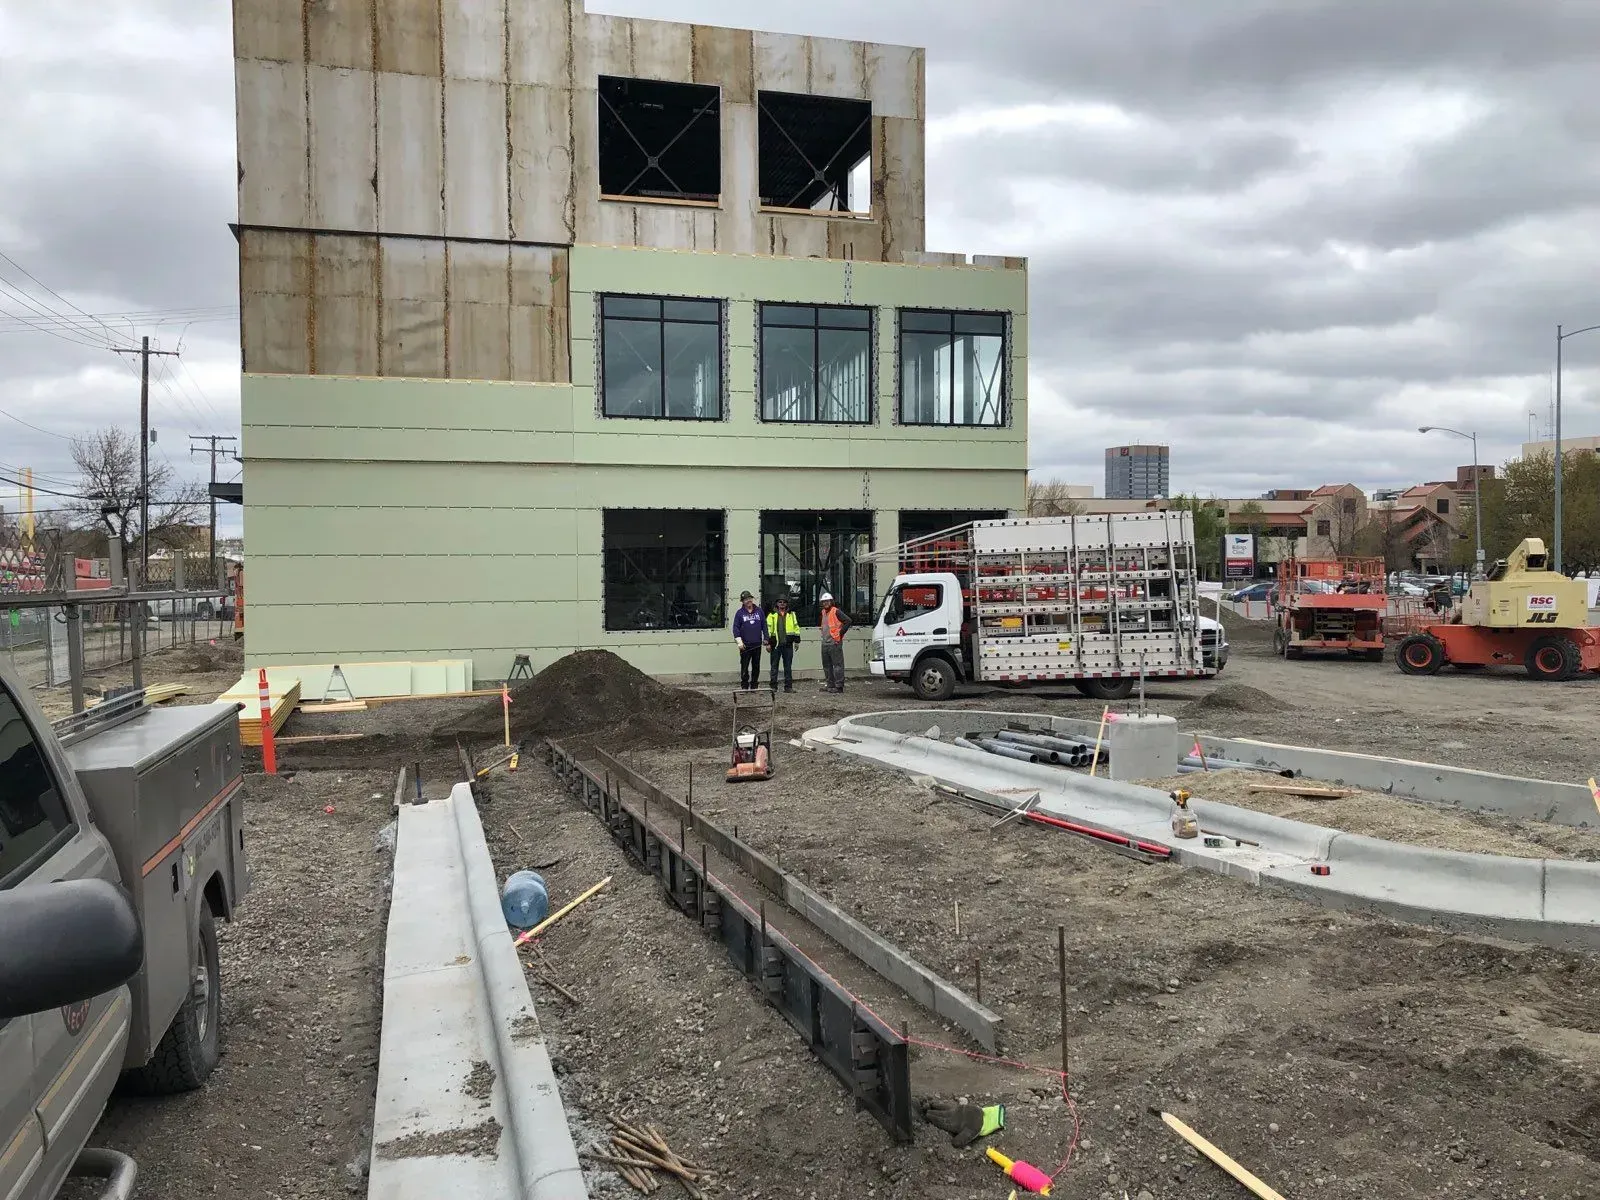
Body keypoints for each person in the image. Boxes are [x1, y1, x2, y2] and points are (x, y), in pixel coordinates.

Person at [818, 591, 852, 693]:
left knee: (837, 665)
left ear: (831, 602)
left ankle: (839, 686)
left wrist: (839, 635)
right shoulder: (823, 612)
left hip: (834, 642)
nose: (825, 603)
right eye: (824, 602)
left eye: (827, 601)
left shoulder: (835, 611)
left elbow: (848, 621)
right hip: (825, 642)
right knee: (827, 666)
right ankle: (830, 685)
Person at [766, 596, 800, 693]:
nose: (782, 604)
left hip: (788, 645)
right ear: (777, 603)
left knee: (788, 667)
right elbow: (768, 629)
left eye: (784, 602)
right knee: (774, 667)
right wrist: (767, 643)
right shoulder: (771, 615)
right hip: (775, 645)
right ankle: (773, 687)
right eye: (780, 602)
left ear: (786, 604)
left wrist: (797, 641)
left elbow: (796, 627)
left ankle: (788, 687)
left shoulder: (792, 615)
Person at [732, 590, 765, 690]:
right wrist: (739, 642)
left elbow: (764, 626)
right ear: (742, 601)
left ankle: (754, 685)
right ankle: (744, 685)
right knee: (744, 666)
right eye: (746, 599)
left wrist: (766, 638)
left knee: (756, 666)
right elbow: (735, 628)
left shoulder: (759, 611)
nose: (748, 601)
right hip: (745, 645)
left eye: (749, 598)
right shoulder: (739, 613)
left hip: (757, 644)